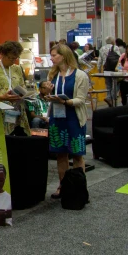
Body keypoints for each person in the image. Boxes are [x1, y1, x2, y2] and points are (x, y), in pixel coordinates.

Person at [46, 44, 90, 199]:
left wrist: (65, 102)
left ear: (63, 56)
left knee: (77, 155)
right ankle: (62, 186)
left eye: (54, 55)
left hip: (73, 119)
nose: (51, 59)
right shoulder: (52, 75)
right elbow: (45, 97)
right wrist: (45, 93)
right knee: (60, 155)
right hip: (57, 119)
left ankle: (79, 187)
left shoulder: (80, 75)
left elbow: (81, 100)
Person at [0, 41, 30, 136]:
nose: (13, 60)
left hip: (17, 108)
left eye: (15, 58)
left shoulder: (17, 68)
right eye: (11, 58)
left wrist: (24, 93)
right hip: (1, 109)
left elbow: (22, 85)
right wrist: (1, 97)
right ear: (3, 54)